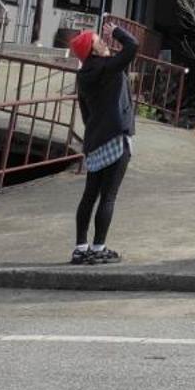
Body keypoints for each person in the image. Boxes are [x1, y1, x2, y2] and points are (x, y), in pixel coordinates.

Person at [68, 21, 137, 265]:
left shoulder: (84, 75)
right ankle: (98, 247)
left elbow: (86, 113)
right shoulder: (108, 67)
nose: (104, 42)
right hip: (117, 138)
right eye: (100, 40)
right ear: (93, 50)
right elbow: (133, 46)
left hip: (95, 141)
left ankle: (80, 247)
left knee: (90, 195)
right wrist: (116, 31)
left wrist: (96, 130)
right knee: (108, 197)